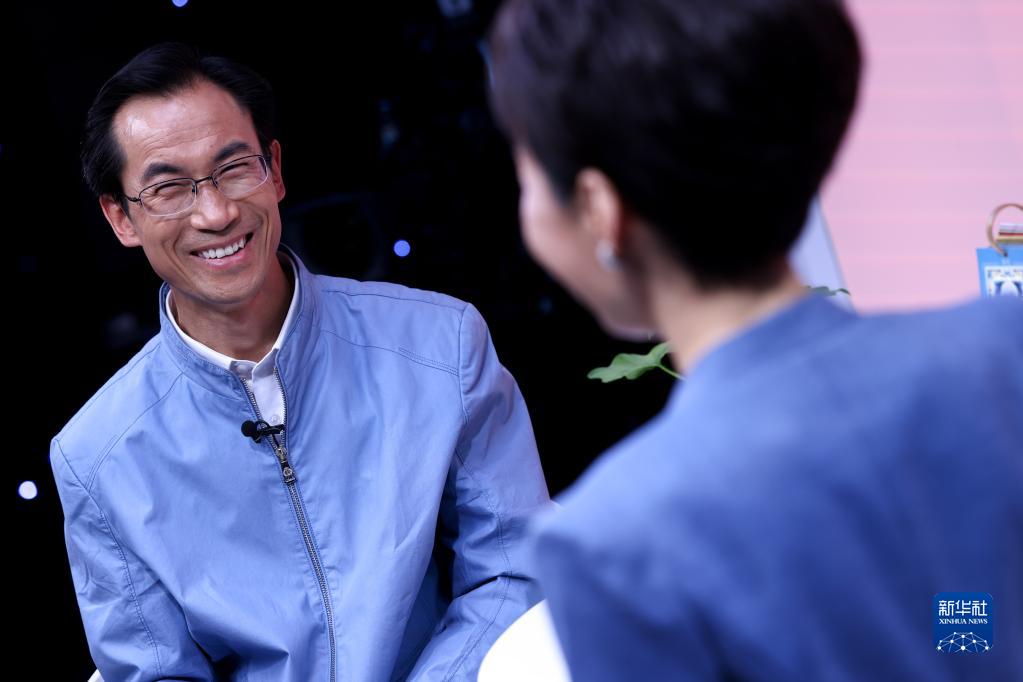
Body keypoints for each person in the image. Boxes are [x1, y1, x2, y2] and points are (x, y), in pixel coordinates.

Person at [487, 0, 1023, 679]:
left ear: (599, 208)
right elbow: (965, 627)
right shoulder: (1001, 349)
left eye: (527, 176)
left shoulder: (613, 541)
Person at [50, 42, 549, 682]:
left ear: (276, 171)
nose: (216, 212)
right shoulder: (96, 456)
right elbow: (154, 671)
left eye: (235, 168)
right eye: (168, 188)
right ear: (121, 217)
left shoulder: (440, 344)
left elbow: (513, 568)